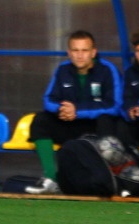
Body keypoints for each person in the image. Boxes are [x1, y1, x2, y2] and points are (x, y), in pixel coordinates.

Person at [25, 30, 121, 195]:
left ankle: (105, 180)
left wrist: (78, 111)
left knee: (106, 120)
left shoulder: (107, 70)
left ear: (93, 52)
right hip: (69, 124)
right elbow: (49, 99)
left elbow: (114, 105)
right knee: (40, 120)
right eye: (75, 51)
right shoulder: (63, 69)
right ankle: (52, 179)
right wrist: (61, 109)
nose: (80, 55)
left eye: (84, 50)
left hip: (93, 129)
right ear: (69, 53)